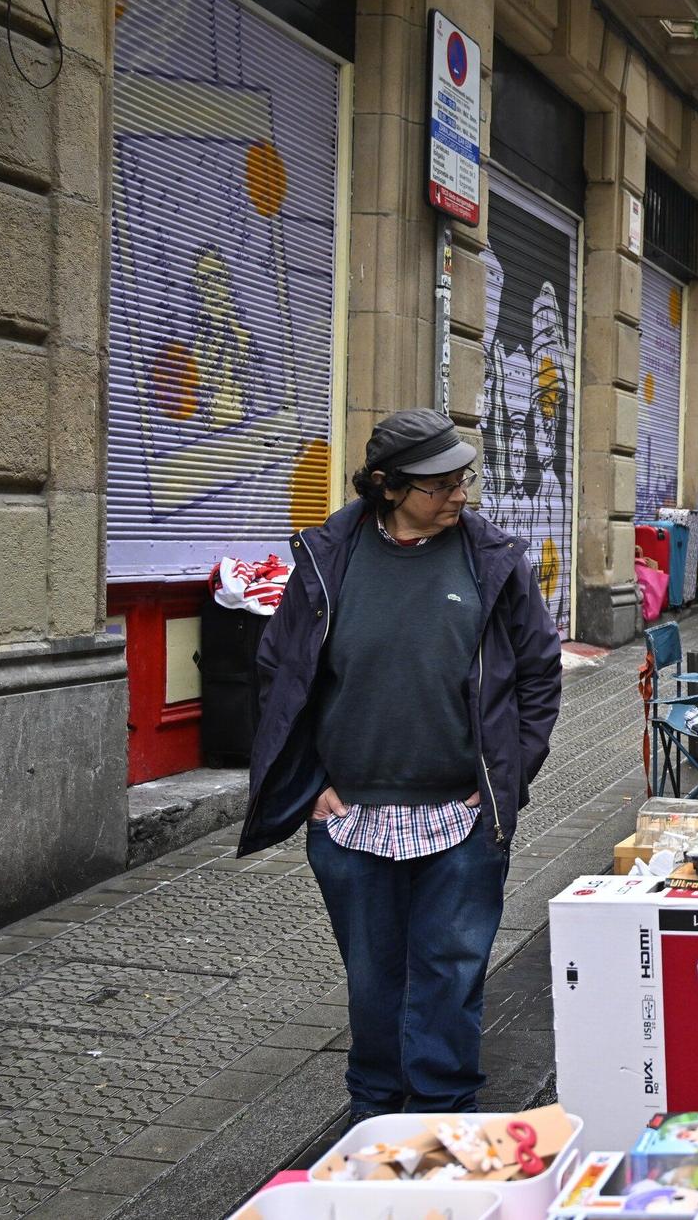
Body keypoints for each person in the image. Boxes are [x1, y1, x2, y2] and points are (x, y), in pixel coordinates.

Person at [239, 408, 563, 1119]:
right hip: (350, 814)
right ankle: (376, 1114)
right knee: (373, 978)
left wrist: (505, 777)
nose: (459, 496)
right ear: (387, 485)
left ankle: (446, 1111)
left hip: (461, 813)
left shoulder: (492, 558)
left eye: (463, 479)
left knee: (451, 973)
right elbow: (280, 672)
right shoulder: (330, 558)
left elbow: (539, 676)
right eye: (439, 485)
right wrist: (310, 784)